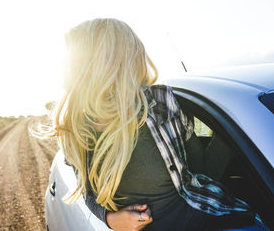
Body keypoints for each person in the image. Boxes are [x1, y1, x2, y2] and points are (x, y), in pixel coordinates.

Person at [39, 18, 268, 230]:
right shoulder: (77, 125)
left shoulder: (159, 103)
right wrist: (109, 218)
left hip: (215, 220)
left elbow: (198, 177)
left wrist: (241, 123)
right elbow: (86, 187)